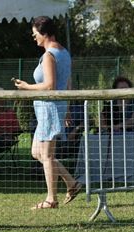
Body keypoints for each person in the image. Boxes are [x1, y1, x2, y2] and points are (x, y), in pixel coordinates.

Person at [14, 16, 82, 210]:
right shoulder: (64, 52)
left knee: (47, 155)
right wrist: (67, 108)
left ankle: (51, 199)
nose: (33, 37)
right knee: (37, 152)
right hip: (53, 109)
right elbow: (67, 85)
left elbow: (50, 85)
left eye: (35, 34)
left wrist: (27, 87)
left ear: (44, 33)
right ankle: (72, 183)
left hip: (49, 109)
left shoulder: (49, 55)